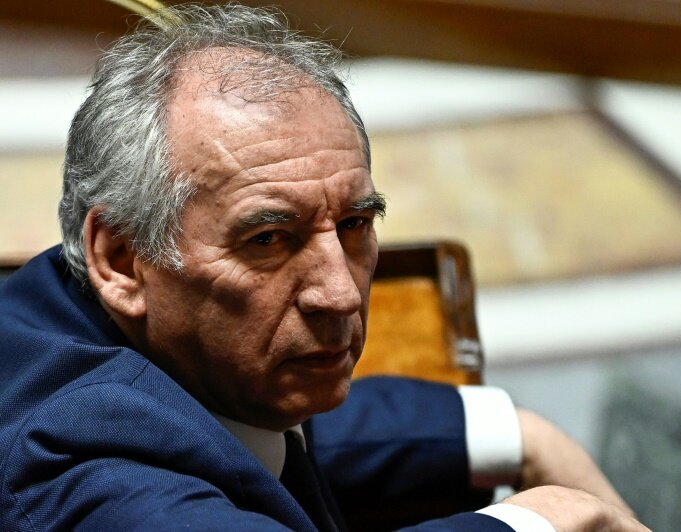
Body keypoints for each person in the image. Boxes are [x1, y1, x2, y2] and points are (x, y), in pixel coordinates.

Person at [0, 4, 648, 531]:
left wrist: (515, 431)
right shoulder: (70, 453)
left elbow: (249, 432)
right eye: (268, 240)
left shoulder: (80, 311)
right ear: (120, 258)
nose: (341, 293)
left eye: (355, 225)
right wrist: (540, 523)